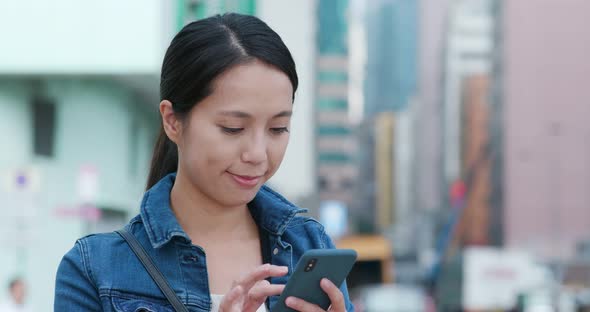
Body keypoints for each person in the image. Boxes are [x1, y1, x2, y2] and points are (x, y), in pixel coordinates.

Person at [54, 13, 354, 312]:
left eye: (277, 129)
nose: (258, 153)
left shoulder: (309, 246)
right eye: (233, 128)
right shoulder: (93, 269)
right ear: (173, 121)